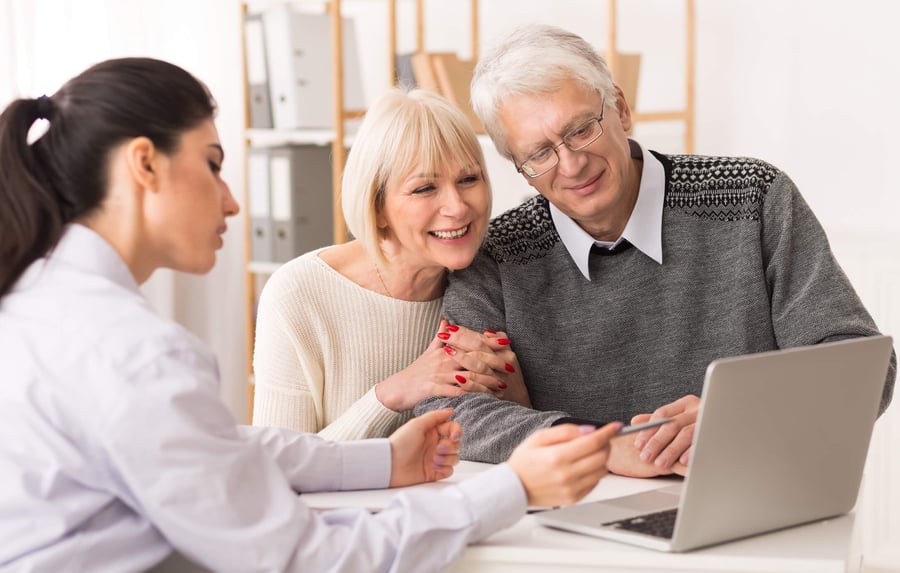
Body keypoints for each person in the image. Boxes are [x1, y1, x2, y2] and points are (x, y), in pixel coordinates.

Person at [0, 57, 623, 572]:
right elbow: (300, 557)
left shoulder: (43, 304)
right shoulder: (133, 351)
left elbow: (225, 451)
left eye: (468, 179)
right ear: (144, 163)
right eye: (213, 164)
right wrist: (512, 489)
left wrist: (383, 461)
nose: (233, 200)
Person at [415, 23, 896, 475]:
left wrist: (740, 416)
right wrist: (603, 446)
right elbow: (448, 409)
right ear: (518, 167)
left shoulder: (753, 197)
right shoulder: (498, 255)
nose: (572, 164)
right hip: (582, 524)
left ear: (620, 108)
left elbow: (863, 366)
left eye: (582, 128)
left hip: (754, 490)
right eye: (539, 153)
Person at [252, 88, 528, 440]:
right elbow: (277, 469)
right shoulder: (298, 293)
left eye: (469, 179)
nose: (457, 207)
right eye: (425, 188)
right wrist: (390, 396)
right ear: (377, 206)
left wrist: (515, 395)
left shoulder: (493, 281)